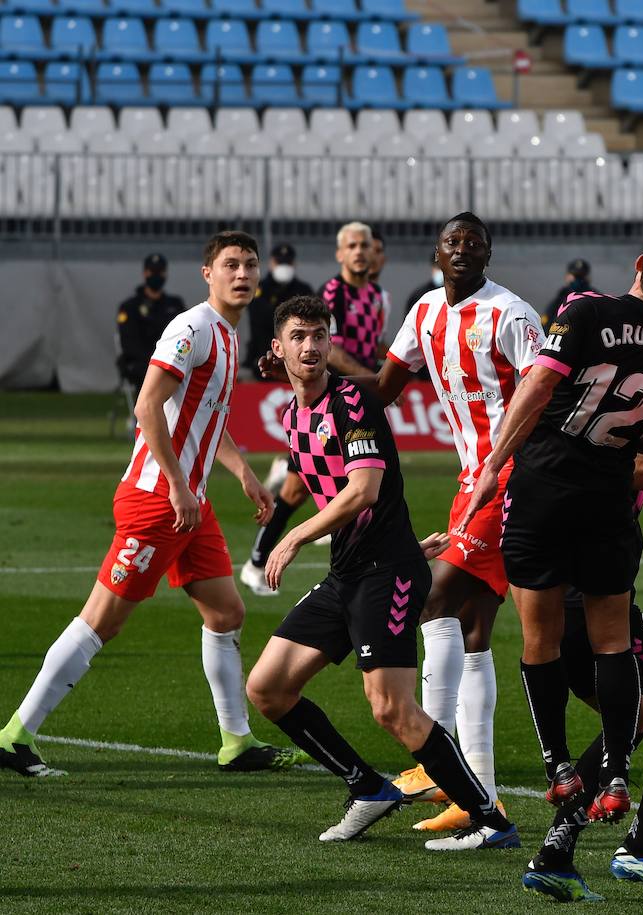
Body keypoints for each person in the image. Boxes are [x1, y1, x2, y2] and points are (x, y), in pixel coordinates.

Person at [261, 213, 544, 834]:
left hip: (512, 476)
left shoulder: (512, 315)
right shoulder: (423, 315)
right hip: (468, 482)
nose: (463, 250)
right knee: (468, 627)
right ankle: (455, 777)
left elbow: (542, 394)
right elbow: (382, 390)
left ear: (489, 252)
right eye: (452, 242)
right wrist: (315, 379)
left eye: (474, 242)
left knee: (436, 601)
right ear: (436, 255)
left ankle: (455, 781)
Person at [0, 231, 302, 779]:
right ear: (207, 273)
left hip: (192, 503)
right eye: (230, 264)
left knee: (227, 612)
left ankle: (236, 742)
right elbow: (146, 406)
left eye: (250, 265)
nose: (243, 274)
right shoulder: (192, 328)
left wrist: (245, 476)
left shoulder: (229, 335)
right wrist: (178, 485)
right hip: (158, 501)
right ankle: (15, 735)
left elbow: (208, 418)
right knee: (102, 621)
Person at [458, 230, 643, 844]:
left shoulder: (586, 308)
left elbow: (540, 385)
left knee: (538, 638)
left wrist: (493, 463)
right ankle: (618, 775)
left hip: (544, 488)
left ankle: (560, 767)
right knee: (611, 643)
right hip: (610, 499)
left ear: (642, 265)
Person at [523, 468, 643, 903]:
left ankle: (554, 857)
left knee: (634, 720)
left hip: (567, 603)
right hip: (592, 606)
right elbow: (621, 468)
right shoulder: (610, 429)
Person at [241, 222, 387, 597]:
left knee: (343, 487)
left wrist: (387, 373)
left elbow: (373, 342)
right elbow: (333, 351)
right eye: (351, 245)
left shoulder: (377, 296)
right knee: (296, 491)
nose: (359, 251)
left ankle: (356, 556)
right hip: (325, 404)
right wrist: (372, 377)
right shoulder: (332, 294)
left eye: (365, 245)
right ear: (339, 254)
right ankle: (258, 560)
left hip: (354, 402)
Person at [116, 253, 186, 394]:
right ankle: (145, 414)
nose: (156, 275)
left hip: (172, 361)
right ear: (145, 273)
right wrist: (156, 362)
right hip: (143, 364)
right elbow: (129, 344)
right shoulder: (130, 307)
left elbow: (186, 336)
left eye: (160, 272)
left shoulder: (175, 305)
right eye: (152, 272)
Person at [244, 242, 312, 378]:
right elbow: (260, 319)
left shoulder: (304, 290)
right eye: (280, 263)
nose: (284, 267)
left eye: (287, 263)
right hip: (262, 359)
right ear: (271, 263)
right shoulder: (259, 289)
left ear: (294, 264)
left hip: (298, 361)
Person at [541, 257, 595, 331]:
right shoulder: (559, 299)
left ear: (588, 277)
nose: (578, 280)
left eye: (581, 276)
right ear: (567, 276)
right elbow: (545, 324)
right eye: (576, 276)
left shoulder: (596, 298)